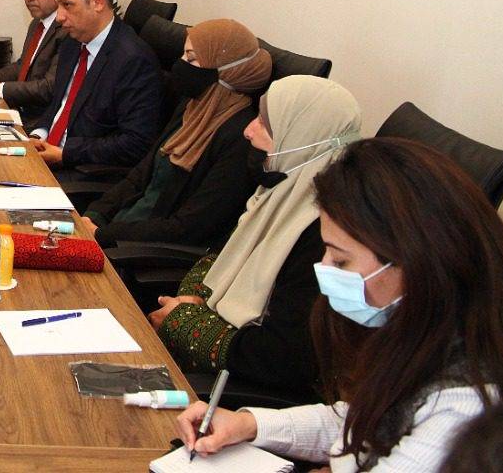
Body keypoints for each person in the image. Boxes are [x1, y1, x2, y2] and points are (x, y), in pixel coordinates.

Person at [174, 137, 503, 471]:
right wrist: (248, 424)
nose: (324, 268)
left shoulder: (465, 406)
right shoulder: (425, 332)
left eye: (341, 260)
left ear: (413, 261)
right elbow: (361, 423)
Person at [147, 76, 360, 404]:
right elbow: (221, 256)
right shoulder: (277, 192)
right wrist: (195, 298)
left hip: (240, 397)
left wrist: (182, 321)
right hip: (203, 360)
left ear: (303, 137)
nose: (248, 130)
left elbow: (282, 357)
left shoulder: (324, 237)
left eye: (265, 123)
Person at [81, 19, 271, 249]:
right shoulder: (191, 107)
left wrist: (103, 234)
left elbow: (188, 227)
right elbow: (140, 175)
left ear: (225, 70)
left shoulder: (239, 138)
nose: (179, 65)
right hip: (118, 228)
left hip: (140, 250)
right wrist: (94, 215)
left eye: (191, 58)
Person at [29, 0, 162, 175]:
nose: (60, 17)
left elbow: (136, 143)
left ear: (97, 2)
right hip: (47, 154)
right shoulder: (73, 42)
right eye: (58, 6)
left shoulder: (133, 60)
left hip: (82, 171)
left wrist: (65, 154)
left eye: (67, 5)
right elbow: (59, 105)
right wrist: (38, 135)